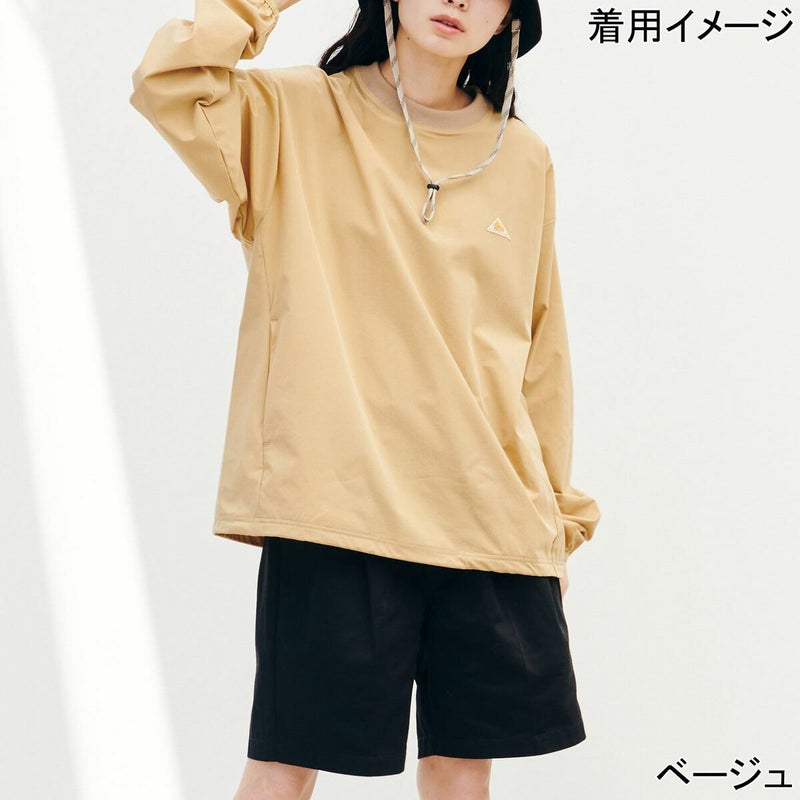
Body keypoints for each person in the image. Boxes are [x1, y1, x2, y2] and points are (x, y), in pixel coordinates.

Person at [130, 0, 602, 797]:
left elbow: (538, 348)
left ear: (509, 19)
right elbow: (169, 80)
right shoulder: (292, 114)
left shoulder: (522, 157)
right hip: (337, 505)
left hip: (489, 515)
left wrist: (553, 520)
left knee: (462, 775)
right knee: (284, 766)